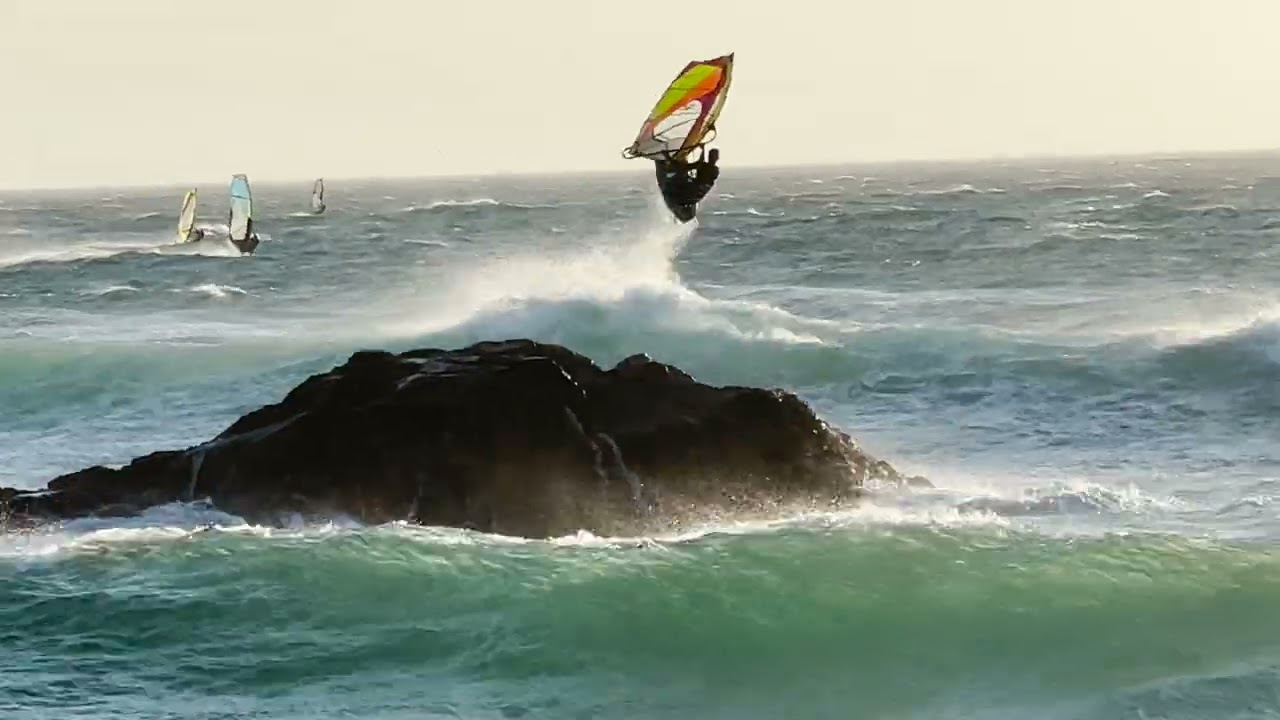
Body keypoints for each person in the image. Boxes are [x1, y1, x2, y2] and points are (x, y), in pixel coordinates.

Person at [653, 147, 720, 223]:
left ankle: (662, 160)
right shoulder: (714, 170)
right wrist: (703, 149)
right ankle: (663, 160)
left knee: (671, 179)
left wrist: (668, 157)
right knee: (675, 178)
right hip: (690, 197)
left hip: (684, 196)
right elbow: (700, 164)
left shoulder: (710, 170)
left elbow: (685, 167)